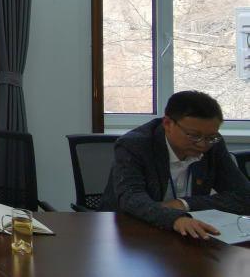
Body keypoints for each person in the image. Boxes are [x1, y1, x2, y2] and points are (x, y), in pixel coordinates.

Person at [100, 90, 250, 239]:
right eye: (194, 135)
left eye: (211, 137)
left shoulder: (214, 144)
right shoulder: (134, 145)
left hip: (187, 233)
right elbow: (131, 198)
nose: (203, 144)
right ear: (168, 124)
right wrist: (174, 219)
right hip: (128, 232)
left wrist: (183, 204)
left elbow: (244, 196)